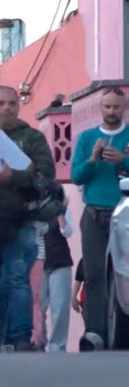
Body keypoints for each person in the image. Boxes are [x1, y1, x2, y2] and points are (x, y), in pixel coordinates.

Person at [0, 86, 55, 352]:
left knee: (17, 280)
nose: (7, 108)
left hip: (21, 219)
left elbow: (46, 178)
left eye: (11, 103)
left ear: (18, 107)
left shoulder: (32, 138)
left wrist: (15, 178)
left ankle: (20, 337)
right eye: (1, 103)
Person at [71, 86, 129, 351]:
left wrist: (123, 162)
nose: (111, 111)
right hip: (94, 214)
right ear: (100, 108)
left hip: (124, 215)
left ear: (124, 107)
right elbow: (77, 176)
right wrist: (93, 159)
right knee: (94, 276)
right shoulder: (87, 138)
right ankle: (95, 333)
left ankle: (120, 333)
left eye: (116, 106)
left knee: (121, 275)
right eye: (107, 106)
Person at [40, 200, 74, 352]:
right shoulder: (33, 208)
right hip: (39, 262)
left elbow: (67, 232)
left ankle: (57, 347)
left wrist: (60, 213)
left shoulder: (62, 210)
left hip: (60, 262)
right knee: (38, 306)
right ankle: (39, 341)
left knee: (60, 307)